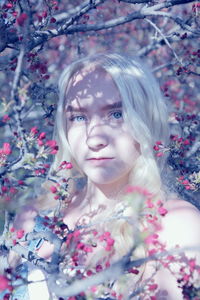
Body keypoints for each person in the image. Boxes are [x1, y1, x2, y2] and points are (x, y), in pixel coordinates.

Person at [6, 53, 200, 299]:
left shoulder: (177, 226)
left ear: (146, 120)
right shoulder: (35, 217)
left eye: (116, 114)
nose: (94, 138)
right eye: (78, 117)